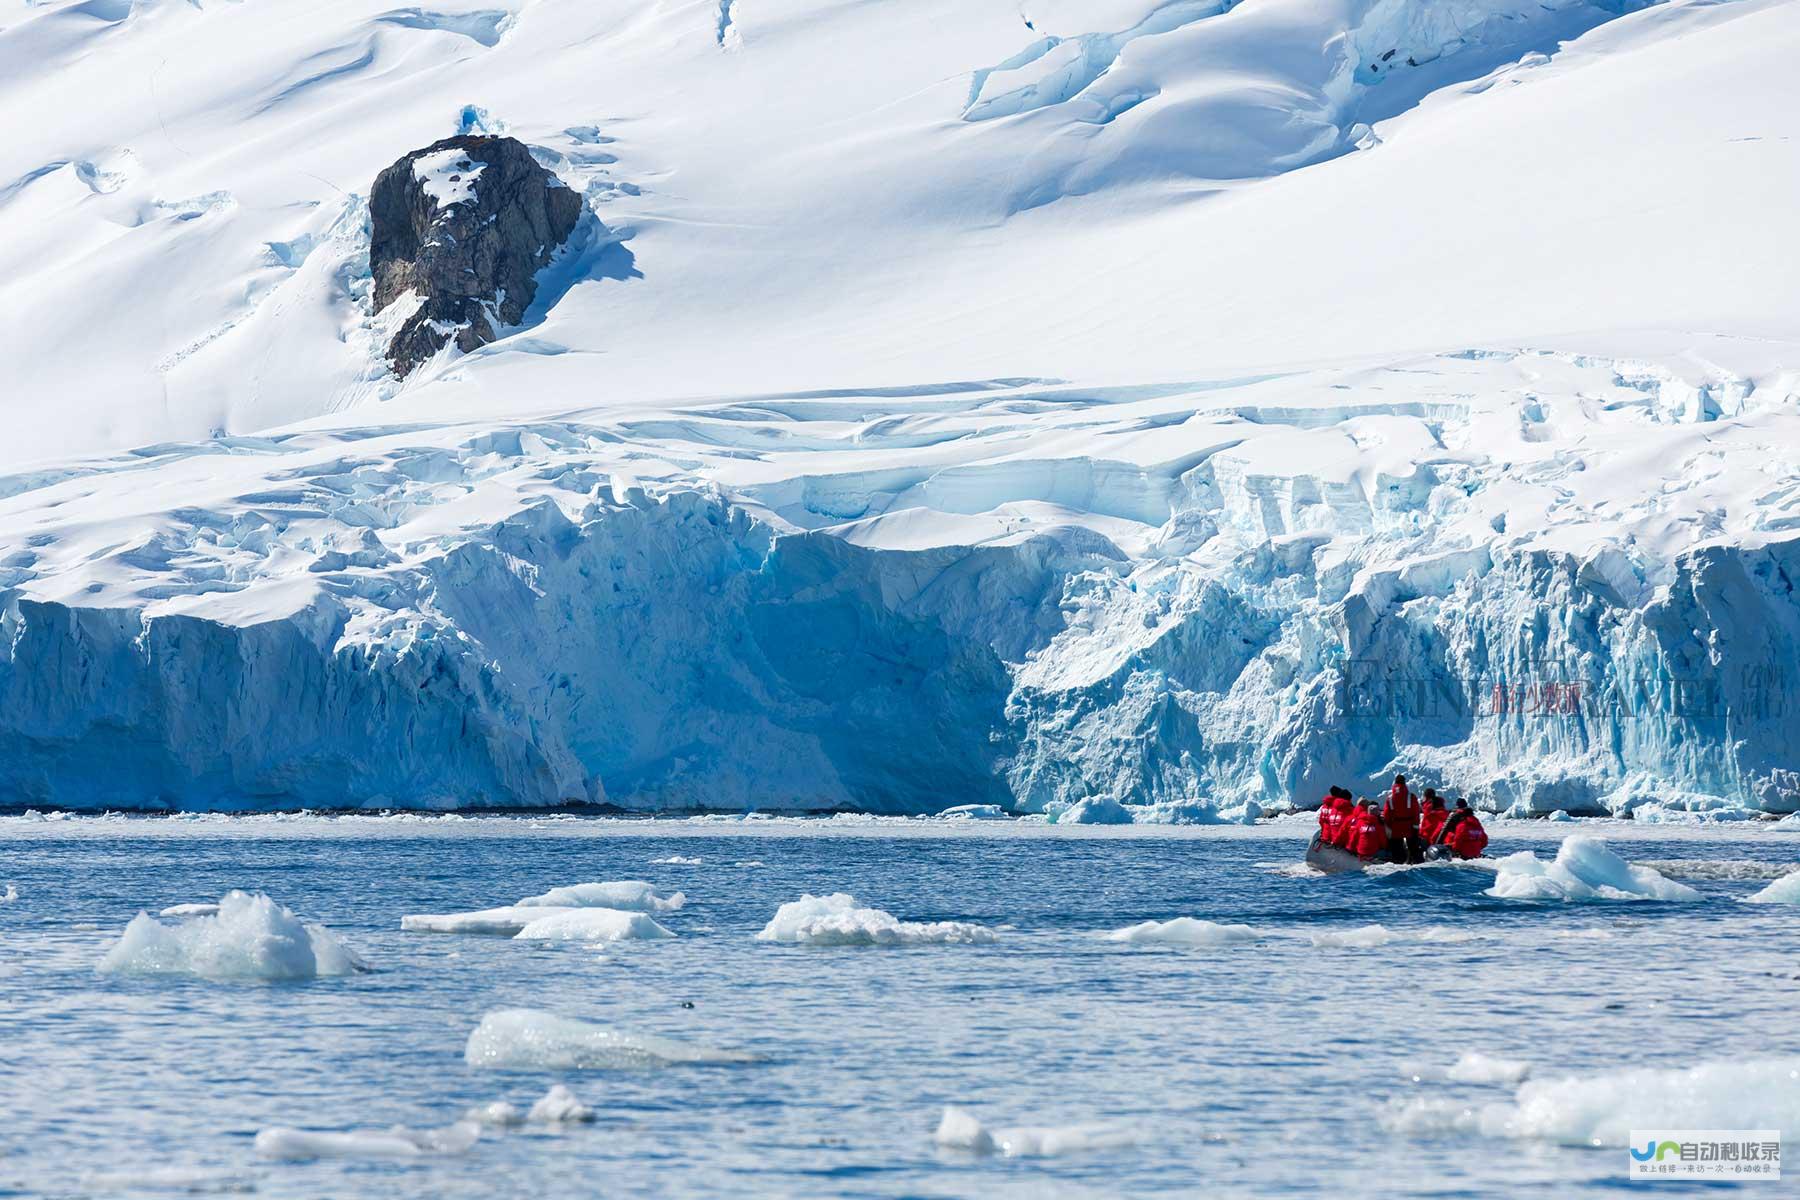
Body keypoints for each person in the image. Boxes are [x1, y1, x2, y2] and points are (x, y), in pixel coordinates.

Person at [1381, 777, 1423, 864]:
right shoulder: (1411, 797)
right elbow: (1416, 812)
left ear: (1395, 783)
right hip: (1409, 827)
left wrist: (1389, 828)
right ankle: (1414, 862)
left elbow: (1386, 815)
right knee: (1413, 850)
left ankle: (1398, 863)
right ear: (1404, 783)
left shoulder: (1390, 798)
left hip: (1395, 828)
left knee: (1397, 852)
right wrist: (1416, 828)